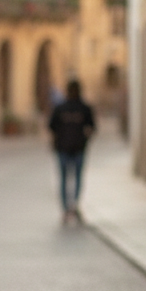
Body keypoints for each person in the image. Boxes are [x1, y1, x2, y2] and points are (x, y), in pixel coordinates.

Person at [48, 78, 95, 222]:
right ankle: (73, 205)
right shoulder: (84, 108)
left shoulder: (60, 108)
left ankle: (66, 208)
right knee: (77, 178)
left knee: (64, 179)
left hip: (63, 148)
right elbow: (92, 128)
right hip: (78, 148)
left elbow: (51, 127)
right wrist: (84, 140)